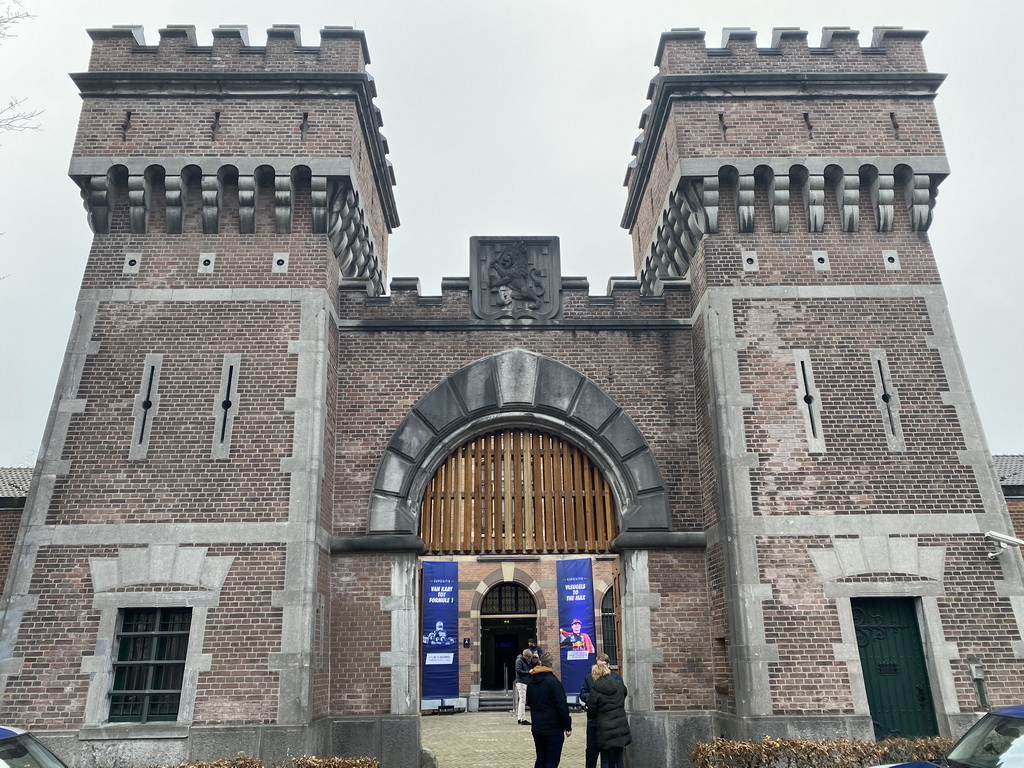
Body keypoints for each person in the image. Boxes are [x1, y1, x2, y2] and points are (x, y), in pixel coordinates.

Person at [526, 652, 572, 768]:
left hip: (537, 726)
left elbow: (529, 702)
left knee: (541, 758)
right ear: (551, 664)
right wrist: (567, 726)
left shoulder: (532, 683)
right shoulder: (554, 683)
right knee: (552, 760)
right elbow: (562, 706)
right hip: (553, 728)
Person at [579, 654, 621, 768]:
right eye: (598, 666)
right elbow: (582, 693)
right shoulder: (589, 678)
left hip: (610, 722)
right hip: (594, 722)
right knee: (592, 751)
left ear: (608, 665)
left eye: (602, 666)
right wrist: (590, 698)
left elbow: (621, 696)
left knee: (609, 754)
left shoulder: (616, 679)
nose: (600, 669)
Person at [585, 664, 630, 768]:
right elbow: (625, 693)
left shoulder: (596, 689)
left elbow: (592, 713)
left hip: (604, 728)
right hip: (620, 725)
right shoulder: (619, 684)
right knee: (619, 757)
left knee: (605, 757)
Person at [515, 648, 535, 725]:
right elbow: (518, 671)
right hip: (521, 682)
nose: (529, 659)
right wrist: (528, 672)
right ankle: (522, 719)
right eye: (529, 657)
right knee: (523, 700)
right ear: (526, 656)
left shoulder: (523, 661)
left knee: (522, 700)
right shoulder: (519, 660)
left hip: (524, 682)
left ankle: (520, 718)